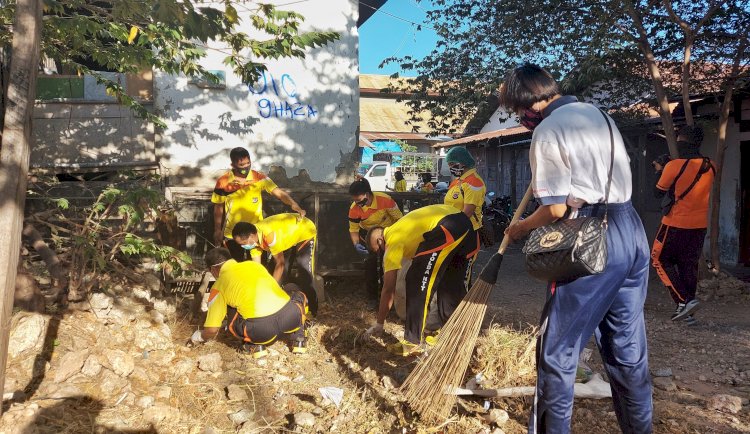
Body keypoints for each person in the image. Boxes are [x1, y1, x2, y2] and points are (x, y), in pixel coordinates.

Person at [500, 63, 652, 434]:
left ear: (528, 104)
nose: (519, 118)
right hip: (631, 230)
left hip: (590, 239)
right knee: (627, 350)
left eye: (517, 111)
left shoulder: (548, 130)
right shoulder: (597, 114)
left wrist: (521, 228)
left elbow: (554, 210)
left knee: (557, 352)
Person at [362, 204, 473, 356]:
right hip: (465, 226)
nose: (382, 255)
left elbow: (389, 289)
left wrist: (379, 323)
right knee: (449, 285)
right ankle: (449, 334)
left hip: (447, 227)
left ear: (380, 241)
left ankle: (412, 342)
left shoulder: (392, 240)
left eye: (379, 251)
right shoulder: (402, 228)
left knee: (416, 279)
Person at [189, 248, 308, 359]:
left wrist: (198, 337)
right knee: (298, 296)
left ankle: (254, 346)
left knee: (232, 307)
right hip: (291, 318)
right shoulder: (254, 265)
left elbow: (212, 330)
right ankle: (299, 336)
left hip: (261, 331)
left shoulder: (219, 285)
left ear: (213, 269)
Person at [652, 125, 715, 326]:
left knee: (659, 259)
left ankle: (684, 301)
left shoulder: (674, 166)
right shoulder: (711, 165)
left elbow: (658, 192)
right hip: (699, 226)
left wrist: (661, 170)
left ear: (683, 141)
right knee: (688, 265)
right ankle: (687, 313)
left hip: (675, 223)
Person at [211, 147, 305, 262]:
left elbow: (279, 193)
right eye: (241, 165)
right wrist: (217, 230)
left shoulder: (259, 177)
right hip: (233, 235)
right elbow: (218, 206)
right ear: (233, 164)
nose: (246, 167)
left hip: (256, 233)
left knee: (259, 268)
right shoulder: (223, 181)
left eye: (248, 163)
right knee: (236, 267)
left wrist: (293, 204)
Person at [231, 213, 318, 315]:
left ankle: (312, 311)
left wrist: (271, 288)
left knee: (304, 272)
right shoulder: (253, 242)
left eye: (243, 243)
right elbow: (257, 268)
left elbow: (280, 264)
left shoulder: (269, 235)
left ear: (251, 236)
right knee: (280, 277)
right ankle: (283, 308)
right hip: (285, 238)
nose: (243, 246)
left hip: (304, 230)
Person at [348, 179, 403, 302]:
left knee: (388, 265)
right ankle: (372, 298)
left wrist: (394, 237)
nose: (356, 203)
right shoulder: (354, 209)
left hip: (389, 234)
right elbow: (354, 229)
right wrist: (356, 244)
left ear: (367, 194)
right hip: (367, 236)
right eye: (354, 200)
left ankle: (389, 297)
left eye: (358, 200)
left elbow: (399, 219)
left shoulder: (385, 200)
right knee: (370, 265)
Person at [443, 146, 486, 288]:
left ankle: (462, 305)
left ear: (462, 162)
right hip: (452, 232)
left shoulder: (474, 182)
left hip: (468, 232)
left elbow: (467, 212)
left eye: (452, 164)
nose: (451, 168)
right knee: (450, 271)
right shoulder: (457, 181)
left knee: (462, 274)